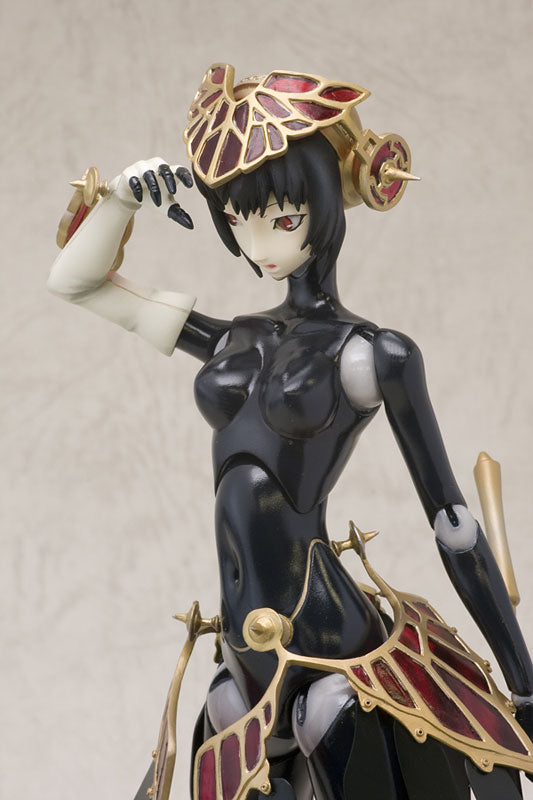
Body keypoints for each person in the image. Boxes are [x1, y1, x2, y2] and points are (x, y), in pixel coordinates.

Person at [48, 65, 533, 800]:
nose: (259, 242)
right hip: (239, 642)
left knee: (333, 734)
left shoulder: (370, 355)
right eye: (238, 220)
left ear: (324, 205)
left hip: (325, 638)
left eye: (279, 218)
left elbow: (451, 520)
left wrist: (522, 682)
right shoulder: (230, 338)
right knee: (219, 738)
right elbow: (76, 283)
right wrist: (119, 198)